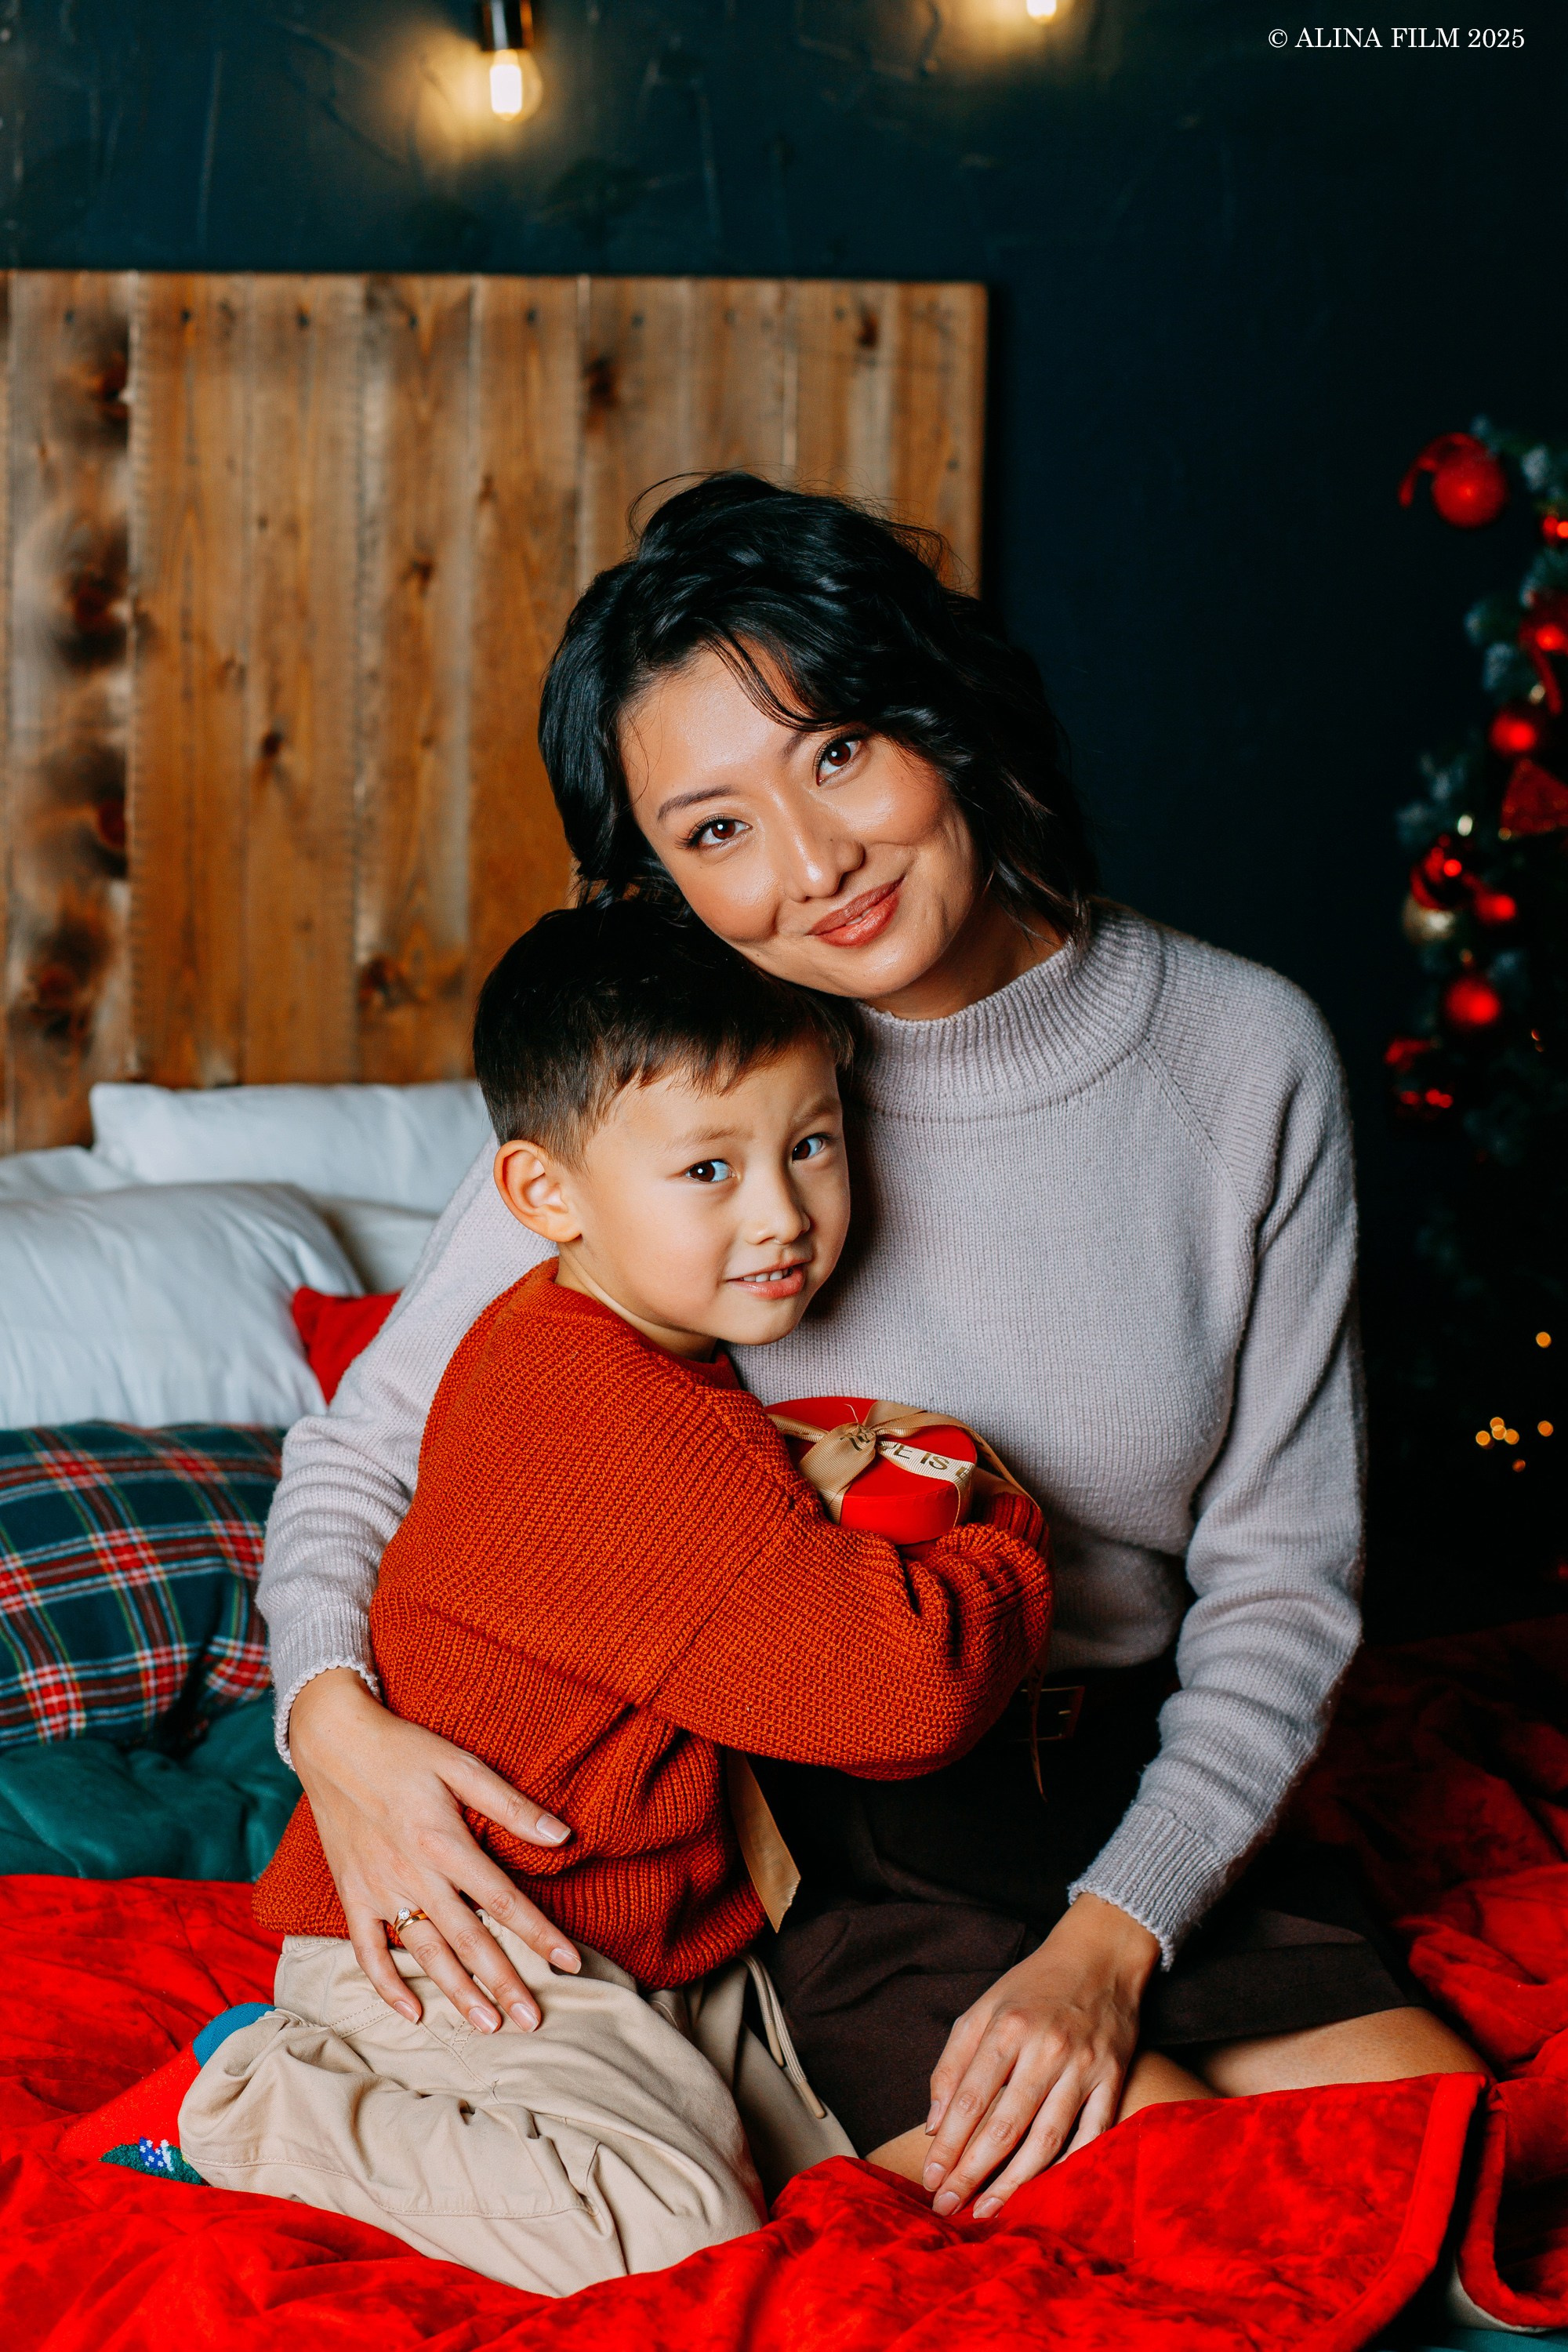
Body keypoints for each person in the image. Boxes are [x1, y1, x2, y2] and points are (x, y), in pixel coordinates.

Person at [260, 474, 1483, 2229]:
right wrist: (333, 1732)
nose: (810, 863)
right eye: (712, 829)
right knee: (1148, 2192)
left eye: (836, 753)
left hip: (1143, 1799)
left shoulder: (1241, 1055)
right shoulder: (694, 1099)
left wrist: (1113, 1934)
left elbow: (1284, 1580)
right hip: (824, 1830)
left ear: (943, 714)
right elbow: (365, 1450)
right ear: (654, 878)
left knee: (1419, 2170)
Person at [179, 898, 1053, 2292]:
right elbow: (905, 1694)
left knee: (910, 2171)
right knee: (686, 2242)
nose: (782, 1215)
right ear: (543, 1196)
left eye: (811, 1144)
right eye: (708, 1169)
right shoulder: (590, 1409)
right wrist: (1001, 1526)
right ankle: (262, 2101)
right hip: (463, 1948)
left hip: (643, 1945)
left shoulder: (619, 1343)